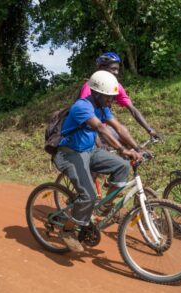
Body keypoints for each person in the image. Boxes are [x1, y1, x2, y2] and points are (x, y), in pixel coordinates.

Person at [54, 70, 144, 252]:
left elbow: (119, 128)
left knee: (122, 166)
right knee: (88, 196)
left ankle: (103, 208)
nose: (111, 101)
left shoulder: (103, 108)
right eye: (108, 97)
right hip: (69, 153)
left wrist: (138, 148)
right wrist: (122, 149)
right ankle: (67, 230)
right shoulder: (82, 106)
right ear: (96, 93)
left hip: (89, 151)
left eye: (113, 97)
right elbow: (101, 129)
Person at [79, 52, 158, 140]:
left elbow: (133, 110)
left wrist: (149, 130)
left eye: (117, 69)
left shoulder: (116, 86)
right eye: (113, 69)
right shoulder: (90, 86)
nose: (116, 72)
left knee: (127, 142)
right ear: (101, 68)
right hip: (87, 131)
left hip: (103, 127)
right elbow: (85, 118)